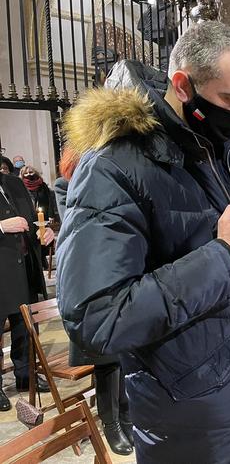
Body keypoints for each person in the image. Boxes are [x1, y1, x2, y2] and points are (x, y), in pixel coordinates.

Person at [56, 21, 230, 463]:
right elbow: (97, 320)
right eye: (229, 99)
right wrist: (223, 254)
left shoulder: (223, 155)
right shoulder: (114, 168)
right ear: (182, 85)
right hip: (191, 420)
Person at [54, 149, 133, 455]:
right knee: (106, 362)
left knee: (125, 354)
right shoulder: (65, 187)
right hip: (90, 281)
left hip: (117, 274)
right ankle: (110, 425)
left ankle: (127, 418)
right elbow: (82, 226)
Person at [0, 157, 54, 411]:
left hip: (25, 269)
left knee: (25, 327)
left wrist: (43, 233)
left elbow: (32, 219)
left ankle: (26, 375)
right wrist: (0, 226)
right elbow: (10, 224)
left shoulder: (14, 183)